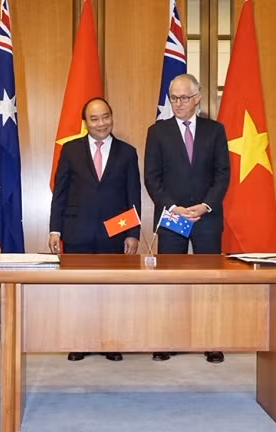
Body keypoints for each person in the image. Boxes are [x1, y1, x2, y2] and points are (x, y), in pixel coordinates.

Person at [143, 73, 230, 363]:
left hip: (206, 217)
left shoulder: (215, 130)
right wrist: (172, 207)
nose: (177, 103)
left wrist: (206, 206)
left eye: (183, 98)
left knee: (208, 280)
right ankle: (167, 338)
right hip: (172, 217)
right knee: (171, 280)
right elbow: (152, 178)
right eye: (173, 98)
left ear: (197, 98)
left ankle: (212, 340)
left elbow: (222, 174)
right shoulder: (157, 132)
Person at [49, 97, 141, 362]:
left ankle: (110, 340)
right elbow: (60, 193)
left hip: (114, 233)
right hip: (76, 230)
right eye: (95, 118)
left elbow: (132, 195)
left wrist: (132, 232)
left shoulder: (127, 152)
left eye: (105, 117)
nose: (101, 123)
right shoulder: (70, 150)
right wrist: (55, 230)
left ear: (112, 117)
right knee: (79, 289)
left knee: (111, 289)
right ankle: (79, 341)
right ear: (85, 122)